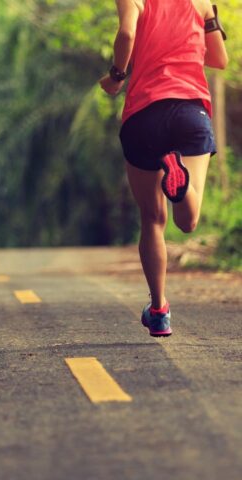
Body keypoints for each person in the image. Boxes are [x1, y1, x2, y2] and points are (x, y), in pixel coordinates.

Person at [99, 0, 228, 337]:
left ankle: (158, 310)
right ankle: (180, 184)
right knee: (188, 221)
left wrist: (116, 76)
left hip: (143, 116)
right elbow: (219, 60)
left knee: (153, 220)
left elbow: (127, 32)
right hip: (189, 114)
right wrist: (208, 17)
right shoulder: (200, 2)